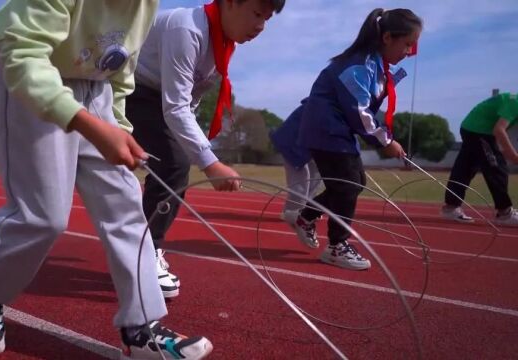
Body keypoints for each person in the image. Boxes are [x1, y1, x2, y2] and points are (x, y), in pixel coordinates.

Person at [0, 1, 213, 359]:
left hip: (97, 93)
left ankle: (141, 328)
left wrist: (120, 127)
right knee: (43, 217)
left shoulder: (146, 4)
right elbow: (23, 53)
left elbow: (123, 67)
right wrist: (88, 124)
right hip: (34, 81)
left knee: (126, 205)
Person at [126, 0, 285, 298]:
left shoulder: (221, 45)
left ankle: (142, 244)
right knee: (174, 164)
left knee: (172, 163)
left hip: (159, 98)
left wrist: (204, 151)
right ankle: (146, 255)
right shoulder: (187, 30)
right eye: (256, 13)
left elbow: (189, 103)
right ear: (230, 4)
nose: (261, 26)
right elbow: (175, 107)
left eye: (267, 18)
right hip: (132, 88)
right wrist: (210, 163)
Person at [296, 8, 422, 270]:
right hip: (326, 130)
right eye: (407, 43)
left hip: (335, 130)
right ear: (387, 37)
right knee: (348, 185)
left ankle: (306, 217)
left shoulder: (374, 65)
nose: (409, 51)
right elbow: (359, 111)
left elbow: (364, 111)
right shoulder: (358, 66)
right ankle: (336, 246)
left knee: (353, 183)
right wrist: (386, 142)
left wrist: (384, 139)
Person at [442, 93, 518, 225]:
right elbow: (499, 130)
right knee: (496, 167)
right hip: (479, 130)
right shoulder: (515, 103)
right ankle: (504, 213)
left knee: (465, 168)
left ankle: (451, 207)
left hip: (470, 127)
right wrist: (513, 156)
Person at [270, 101, 323, 248]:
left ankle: (303, 211)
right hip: (294, 140)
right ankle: (293, 213)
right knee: (301, 178)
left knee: (317, 173)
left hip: (311, 141)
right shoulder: (326, 102)